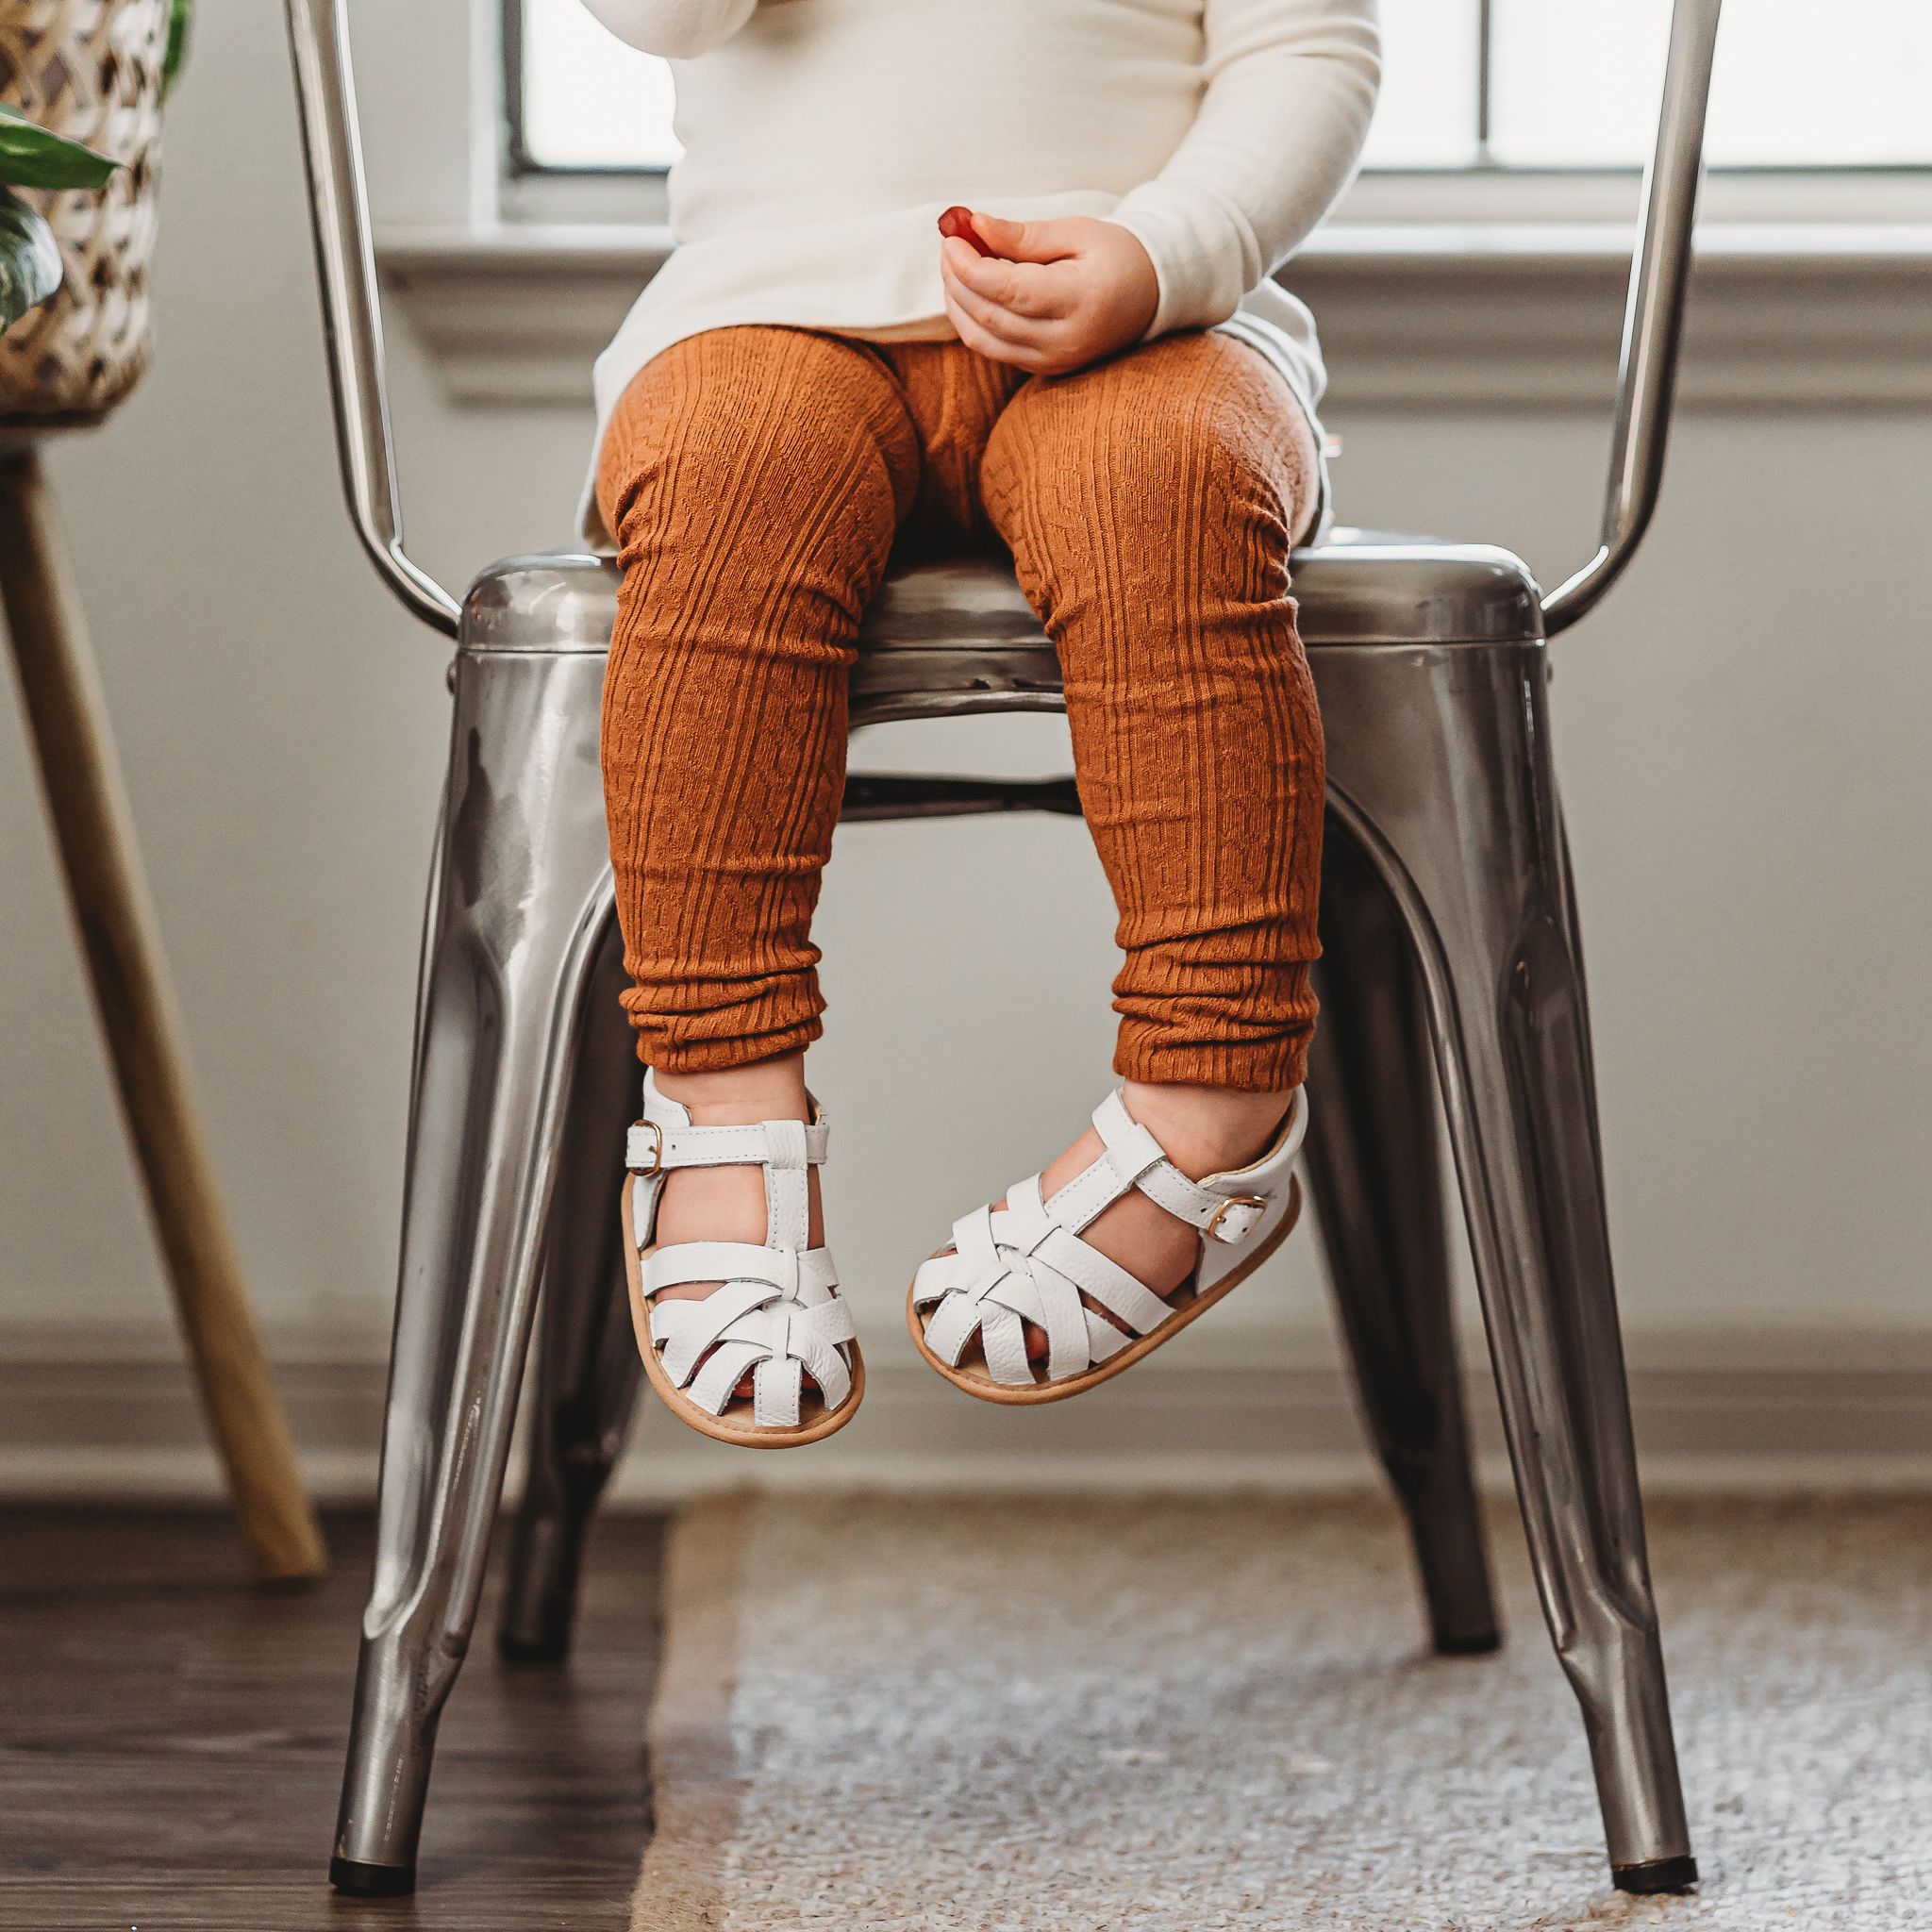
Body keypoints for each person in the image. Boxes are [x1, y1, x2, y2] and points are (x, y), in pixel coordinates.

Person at [580, 0, 1380, 1444]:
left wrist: (1167, 253)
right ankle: (719, 1096)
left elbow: (1306, 50)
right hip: (773, 309)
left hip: (1160, 317)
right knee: (725, 473)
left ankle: (1215, 1099)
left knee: (1167, 484)